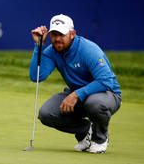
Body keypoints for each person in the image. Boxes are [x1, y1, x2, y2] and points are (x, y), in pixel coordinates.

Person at [29, 14, 122, 153]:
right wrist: (39, 46)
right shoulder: (52, 51)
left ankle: (100, 139)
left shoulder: (88, 50)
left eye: (62, 34)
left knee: (94, 103)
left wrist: (77, 94)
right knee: (46, 113)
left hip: (107, 94)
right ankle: (85, 131)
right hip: (78, 95)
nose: (57, 39)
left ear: (72, 34)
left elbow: (105, 81)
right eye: (54, 34)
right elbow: (37, 77)